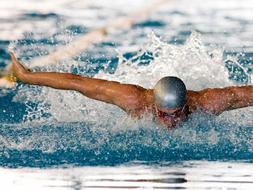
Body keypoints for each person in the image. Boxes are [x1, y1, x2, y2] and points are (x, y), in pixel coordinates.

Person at [9, 52, 253, 128]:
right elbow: (77, 82)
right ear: (155, 107)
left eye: (177, 113)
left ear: (187, 105)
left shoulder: (208, 102)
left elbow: (247, 94)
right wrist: (26, 76)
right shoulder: (133, 99)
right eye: (163, 114)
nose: (171, 121)